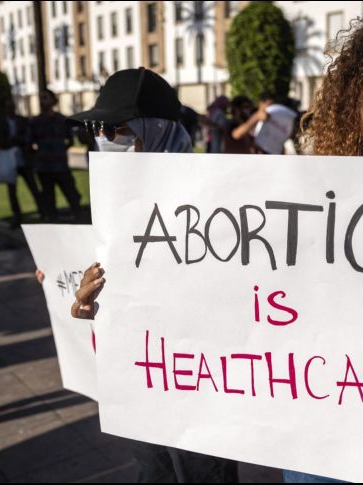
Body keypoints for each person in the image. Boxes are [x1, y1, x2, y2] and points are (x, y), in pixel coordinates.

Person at [70, 13, 363, 483]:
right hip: (317, 453)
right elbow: (222, 308)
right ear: (354, 103)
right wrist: (121, 311)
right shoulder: (300, 199)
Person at [67, 67, 236, 483]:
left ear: (157, 129)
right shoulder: (110, 203)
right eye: (98, 129)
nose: (105, 139)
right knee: (152, 470)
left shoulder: (218, 199)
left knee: (204, 472)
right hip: (139, 375)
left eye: (118, 129)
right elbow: (100, 300)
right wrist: (79, 300)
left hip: (200, 381)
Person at [29, 89, 82, 223]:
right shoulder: (35, 122)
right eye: (41, 98)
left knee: (73, 196)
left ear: (53, 101)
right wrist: (39, 155)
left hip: (61, 166)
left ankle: (79, 220)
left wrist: (60, 149)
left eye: (45, 98)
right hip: (44, 169)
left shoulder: (62, 120)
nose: (42, 101)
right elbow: (29, 143)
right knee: (49, 201)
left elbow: (70, 140)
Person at [0, 97, 43, 228]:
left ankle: (43, 211)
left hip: (24, 160)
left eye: (12, 106)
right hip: (10, 161)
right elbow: (1, 141)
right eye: (8, 106)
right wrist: (16, 140)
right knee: (12, 191)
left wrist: (16, 140)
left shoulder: (23, 120)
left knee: (33, 186)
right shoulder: (0, 123)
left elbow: (28, 138)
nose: (11, 109)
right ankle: (17, 215)